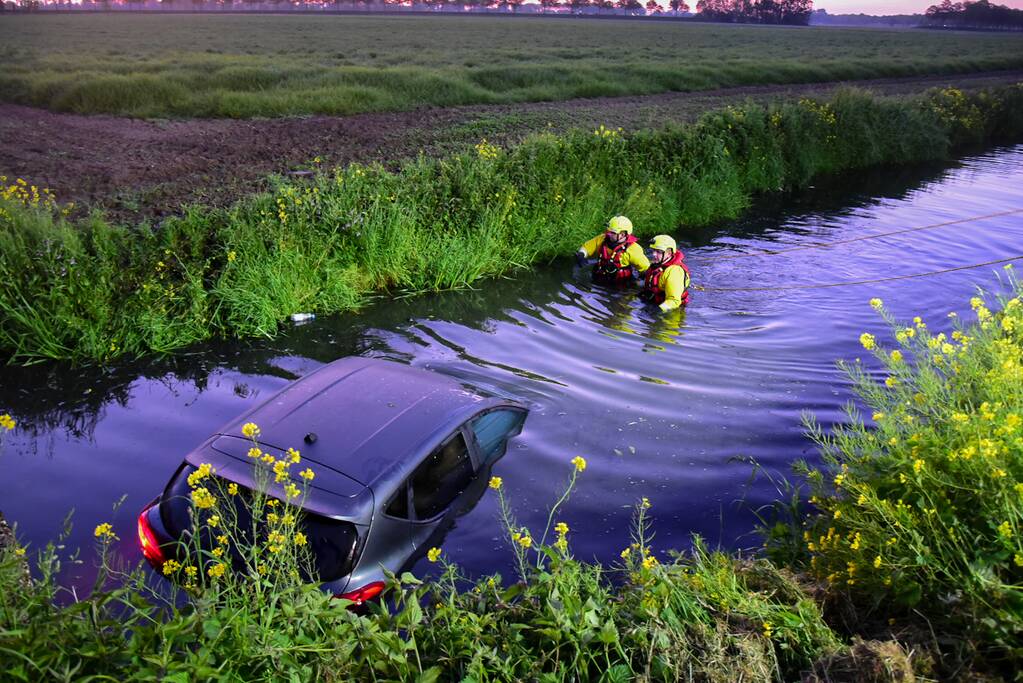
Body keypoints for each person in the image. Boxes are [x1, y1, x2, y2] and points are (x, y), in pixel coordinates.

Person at [575, 216, 650, 287]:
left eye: (613, 233)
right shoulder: (602, 239)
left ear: (622, 235)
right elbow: (586, 248)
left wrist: (640, 280)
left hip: (621, 284)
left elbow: (647, 269)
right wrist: (581, 255)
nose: (608, 234)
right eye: (608, 231)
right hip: (599, 277)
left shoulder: (633, 249)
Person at [640, 235, 691, 312]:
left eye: (658, 252)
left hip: (674, 310)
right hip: (654, 301)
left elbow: (674, 301)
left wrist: (658, 310)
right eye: (653, 250)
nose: (653, 254)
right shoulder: (658, 264)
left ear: (669, 253)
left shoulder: (674, 272)